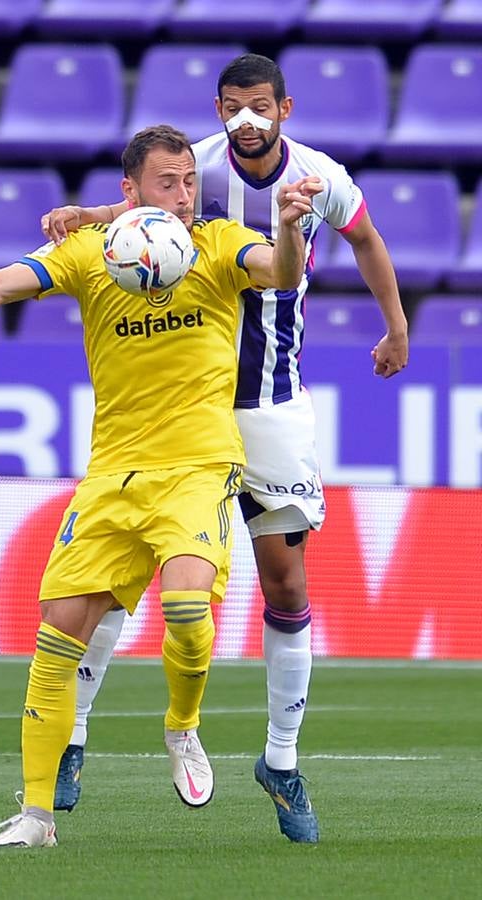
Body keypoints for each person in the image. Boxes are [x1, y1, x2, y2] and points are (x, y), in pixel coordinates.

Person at [0, 124, 317, 849]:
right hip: (112, 474)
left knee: (185, 604)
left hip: (199, 465)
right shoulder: (90, 253)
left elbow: (279, 273)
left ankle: (181, 728)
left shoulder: (216, 243)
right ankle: (37, 816)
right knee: (57, 636)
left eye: (188, 182)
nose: (183, 196)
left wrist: (293, 227)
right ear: (130, 190)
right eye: (167, 183)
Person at [42, 54, 409, 844]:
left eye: (261, 106)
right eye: (234, 107)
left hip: (271, 405)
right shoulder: (197, 168)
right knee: (122, 576)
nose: (247, 119)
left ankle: (279, 759)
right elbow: (148, 214)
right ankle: (71, 736)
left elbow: (370, 241)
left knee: (284, 578)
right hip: (184, 409)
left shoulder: (320, 177)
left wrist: (397, 325)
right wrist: (89, 215)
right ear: (219, 109)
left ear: (285, 107)